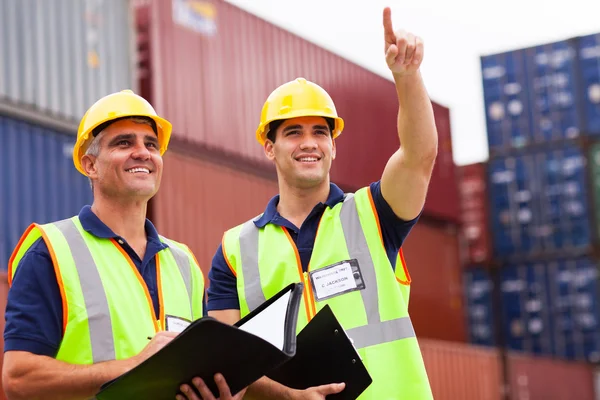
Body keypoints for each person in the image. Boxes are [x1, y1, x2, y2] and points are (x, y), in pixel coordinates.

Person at [206, 7, 436, 400]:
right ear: (269, 147)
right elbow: (224, 370)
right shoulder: (233, 251)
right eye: (293, 132)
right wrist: (289, 396)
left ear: (333, 146)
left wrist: (407, 76)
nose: (309, 142)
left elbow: (418, 156)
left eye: (319, 132)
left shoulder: (374, 215)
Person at [2, 90, 245, 400]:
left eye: (151, 144)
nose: (142, 152)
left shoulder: (184, 263)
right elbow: (18, 379)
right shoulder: (50, 251)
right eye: (124, 143)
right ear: (90, 165)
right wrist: (133, 365)